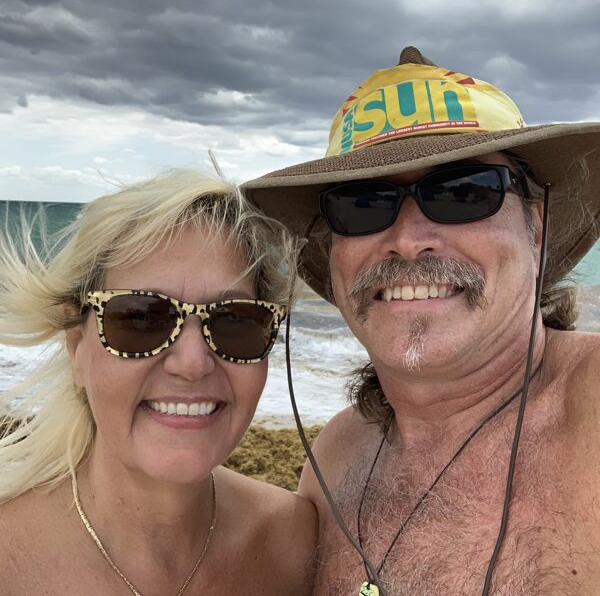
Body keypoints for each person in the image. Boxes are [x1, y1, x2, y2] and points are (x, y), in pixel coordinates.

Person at [243, 47, 600, 594]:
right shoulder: (334, 459)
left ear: (535, 228)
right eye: (362, 203)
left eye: (463, 193)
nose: (408, 240)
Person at [0, 169, 316, 595]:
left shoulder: (295, 543)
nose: (192, 364)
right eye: (140, 318)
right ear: (77, 348)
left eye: (235, 321)